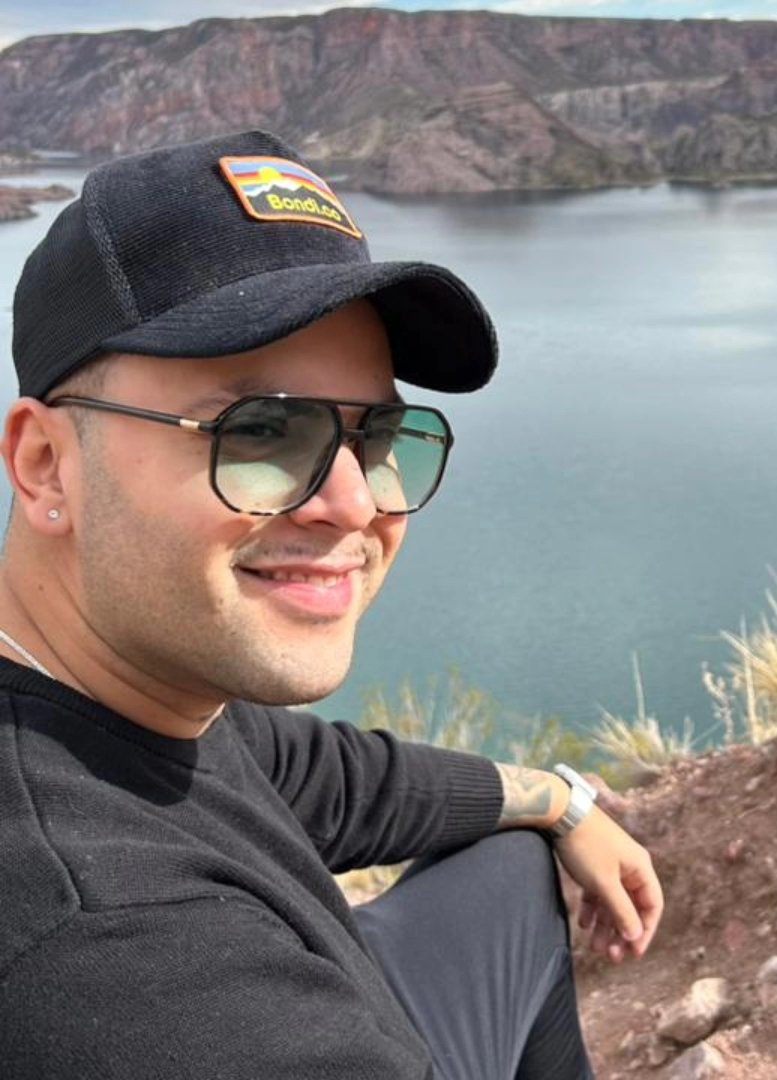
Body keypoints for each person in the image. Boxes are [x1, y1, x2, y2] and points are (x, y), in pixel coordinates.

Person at [0, 131, 663, 1079]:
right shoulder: (122, 961)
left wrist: (562, 804)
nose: (355, 504)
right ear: (45, 465)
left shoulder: (124, 690)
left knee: (514, 862)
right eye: (261, 430)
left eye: (377, 435)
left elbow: (324, 779)